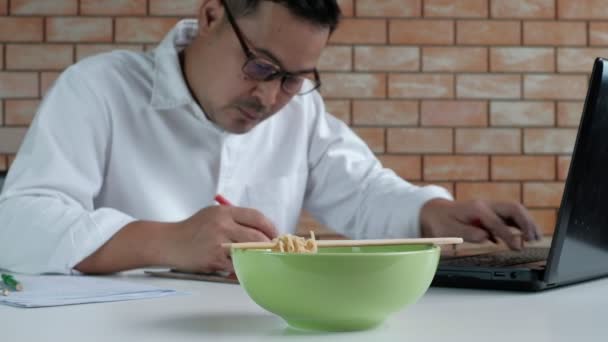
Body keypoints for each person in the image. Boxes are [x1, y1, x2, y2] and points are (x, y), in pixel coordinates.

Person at [0, 0, 541, 275]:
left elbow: (364, 189)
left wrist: (435, 214)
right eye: (260, 65)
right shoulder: (99, 89)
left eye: (295, 78)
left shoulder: (297, 112)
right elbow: (16, 225)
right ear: (211, 15)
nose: (270, 99)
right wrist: (164, 241)